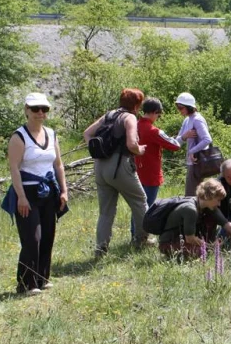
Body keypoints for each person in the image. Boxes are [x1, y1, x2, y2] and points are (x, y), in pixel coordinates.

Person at [2, 93, 68, 295]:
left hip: (49, 191)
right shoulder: (19, 136)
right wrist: (21, 196)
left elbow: (58, 164)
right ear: (27, 110)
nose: (40, 113)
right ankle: (26, 283)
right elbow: (14, 168)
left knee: (48, 235)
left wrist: (64, 190)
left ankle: (42, 278)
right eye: (35, 109)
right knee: (32, 238)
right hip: (28, 192)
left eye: (44, 109)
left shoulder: (51, 134)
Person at [83, 88, 149, 257]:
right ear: (136, 105)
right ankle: (142, 239)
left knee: (106, 211)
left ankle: (101, 248)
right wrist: (140, 150)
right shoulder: (130, 117)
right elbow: (131, 143)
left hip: (100, 167)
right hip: (119, 166)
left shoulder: (109, 115)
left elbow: (87, 134)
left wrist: (102, 151)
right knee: (140, 201)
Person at [158, 178, 231, 259]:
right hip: (169, 243)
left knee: (207, 247)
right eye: (218, 200)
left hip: (185, 240)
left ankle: (208, 245)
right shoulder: (190, 209)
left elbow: (226, 224)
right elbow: (190, 238)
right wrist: (209, 246)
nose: (219, 204)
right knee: (201, 253)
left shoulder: (209, 206)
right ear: (209, 196)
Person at [132, 97, 181, 237]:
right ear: (155, 112)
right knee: (146, 206)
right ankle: (141, 237)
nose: (158, 117)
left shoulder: (135, 125)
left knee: (137, 206)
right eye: (158, 114)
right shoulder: (154, 131)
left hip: (135, 173)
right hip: (150, 174)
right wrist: (182, 137)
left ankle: (135, 234)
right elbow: (175, 145)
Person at [174, 92, 212, 197]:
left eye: (181, 108)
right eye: (178, 108)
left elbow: (207, 139)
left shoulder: (197, 119)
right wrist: (184, 136)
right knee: (195, 196)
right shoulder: (187, 120)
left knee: (191, 196)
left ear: (189, 107)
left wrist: (192, 151)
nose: (179, 110)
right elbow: (178, 141)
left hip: (197, 162)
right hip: (192, 162)